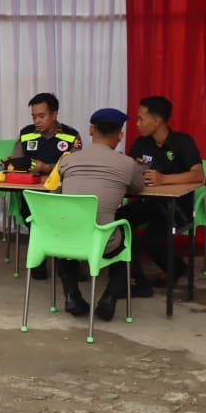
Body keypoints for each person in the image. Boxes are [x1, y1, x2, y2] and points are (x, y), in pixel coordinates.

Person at [54, 109, 146, 319]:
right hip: (103, 243)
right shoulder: (127, 164)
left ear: (90, 130)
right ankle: (109, 297)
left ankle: (72, 295)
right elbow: (138, 188)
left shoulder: (68, 160)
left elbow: (58, 187)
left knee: (68, 229)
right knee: (125, 233)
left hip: (68, 241)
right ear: (120, 135)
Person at [121, 95, 205, 290]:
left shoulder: (183, 142)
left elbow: (197, 175)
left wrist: (163, 179)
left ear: (157, 121)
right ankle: (134, 278)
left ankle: (176, 268)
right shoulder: (141, 144)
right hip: (147, 203)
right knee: (116, 221)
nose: (138, 124)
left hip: (175, 207)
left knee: (152, 239)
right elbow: (130, 168)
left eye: (142, 119)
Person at [9, 92, 84, 279]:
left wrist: (47, 167)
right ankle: (40, 259)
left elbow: (75, 167)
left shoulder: (71, 136)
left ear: (54, 114)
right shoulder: (26, 134)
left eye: (41, 116)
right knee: (32, 214)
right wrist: (21, 166)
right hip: (33, 193)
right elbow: (17, 160)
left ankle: (70, 264)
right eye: (33, 116)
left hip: (62, 192)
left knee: (66, 219)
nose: (36, 121)